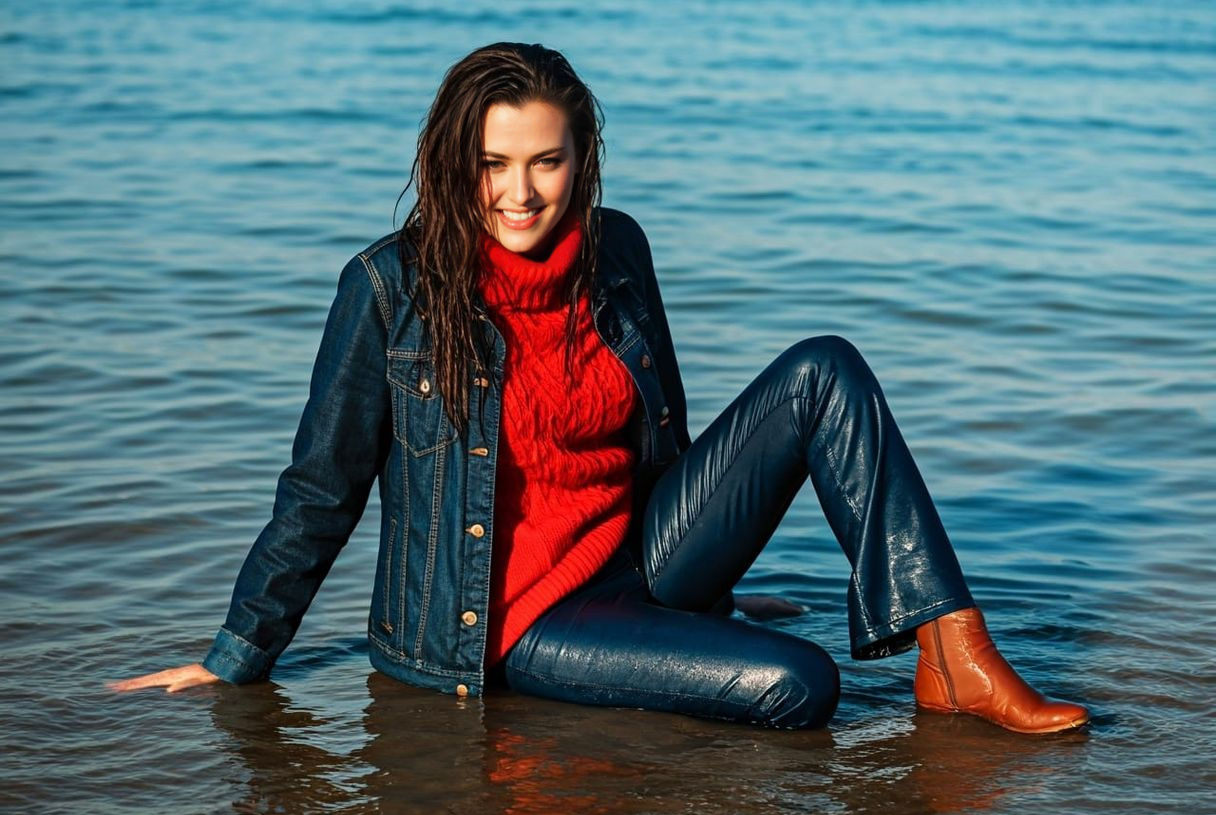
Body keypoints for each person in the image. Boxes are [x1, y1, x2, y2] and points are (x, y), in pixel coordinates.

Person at [111, 42, 1090, 734]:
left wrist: (708, 593)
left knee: (822, 367)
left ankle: (953, 648)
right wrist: (236, 655)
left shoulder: (616, 249)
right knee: (801, 683)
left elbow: (663, 444)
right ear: (459, 163)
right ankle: (934, 665)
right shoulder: (388, 289)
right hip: (515, 622)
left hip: (635, 562)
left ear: (581, 160)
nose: (519, 193)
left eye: (545, 161)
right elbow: (320, 491)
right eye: (493, 164)